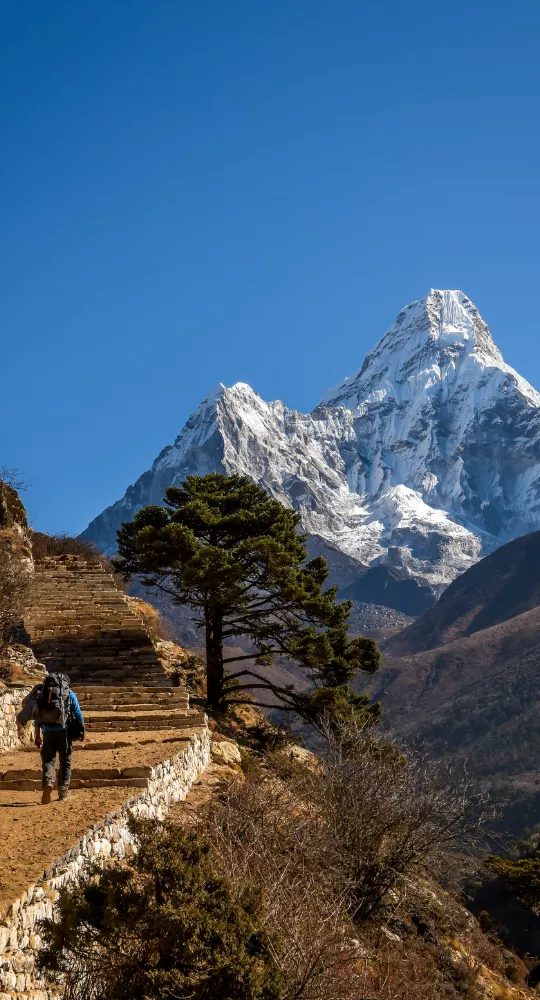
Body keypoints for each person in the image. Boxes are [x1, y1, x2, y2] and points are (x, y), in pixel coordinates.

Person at [17, 672, 85, 804]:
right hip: (64, 732)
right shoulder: (69, 694)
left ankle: (48, 782)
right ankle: (63, 791)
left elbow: (37, 717)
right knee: (65, 760)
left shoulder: (42, 694)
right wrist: (82, 732)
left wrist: (37, 735)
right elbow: (78, 714)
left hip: (47, 732)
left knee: (48, 760)